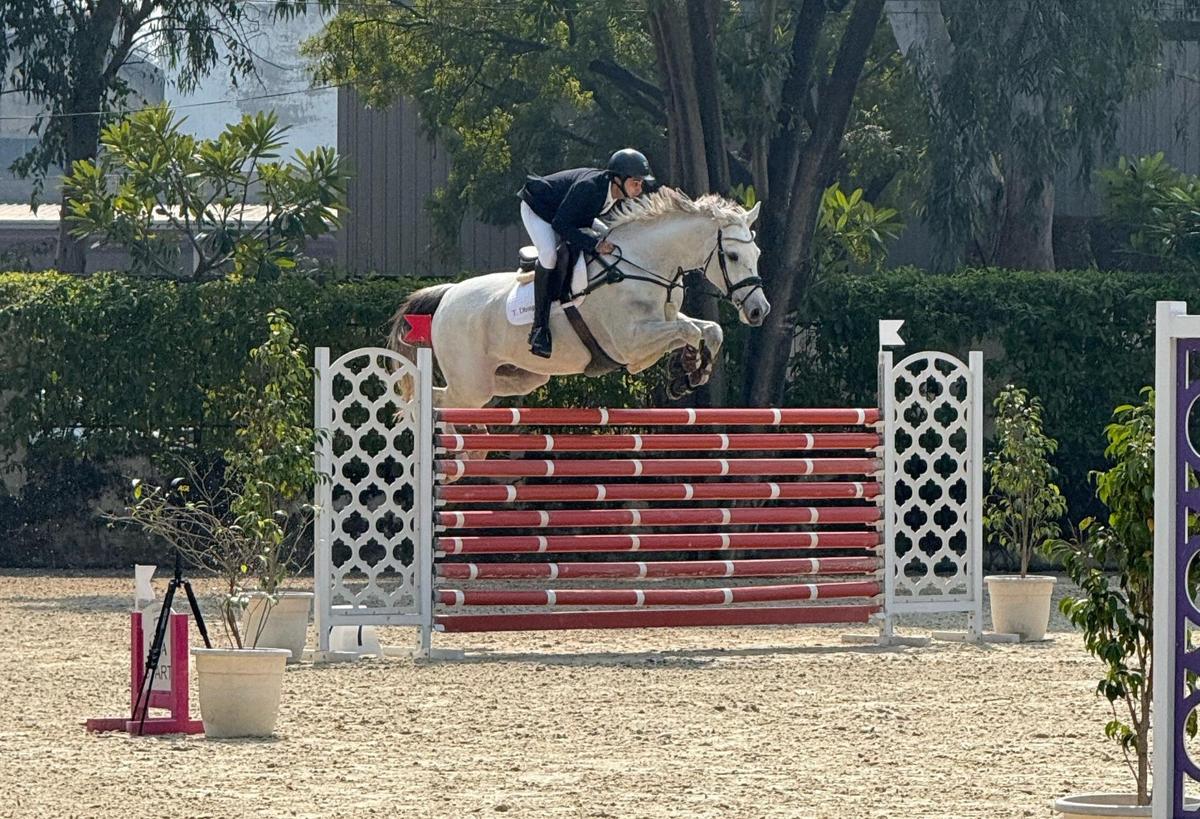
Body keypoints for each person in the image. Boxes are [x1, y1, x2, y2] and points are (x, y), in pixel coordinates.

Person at [517, 148, 652, 358]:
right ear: (618, 179)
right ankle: (539, 329)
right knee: (550, 255)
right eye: (636, 182)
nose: (639, 189)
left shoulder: (610, 193)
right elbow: (561, 224)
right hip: (538, 209)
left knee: (607, 235)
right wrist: (594, 244)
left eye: (641, 183)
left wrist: (601, 238)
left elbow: (581, 219)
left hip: (562, 211)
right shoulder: (590, 188)